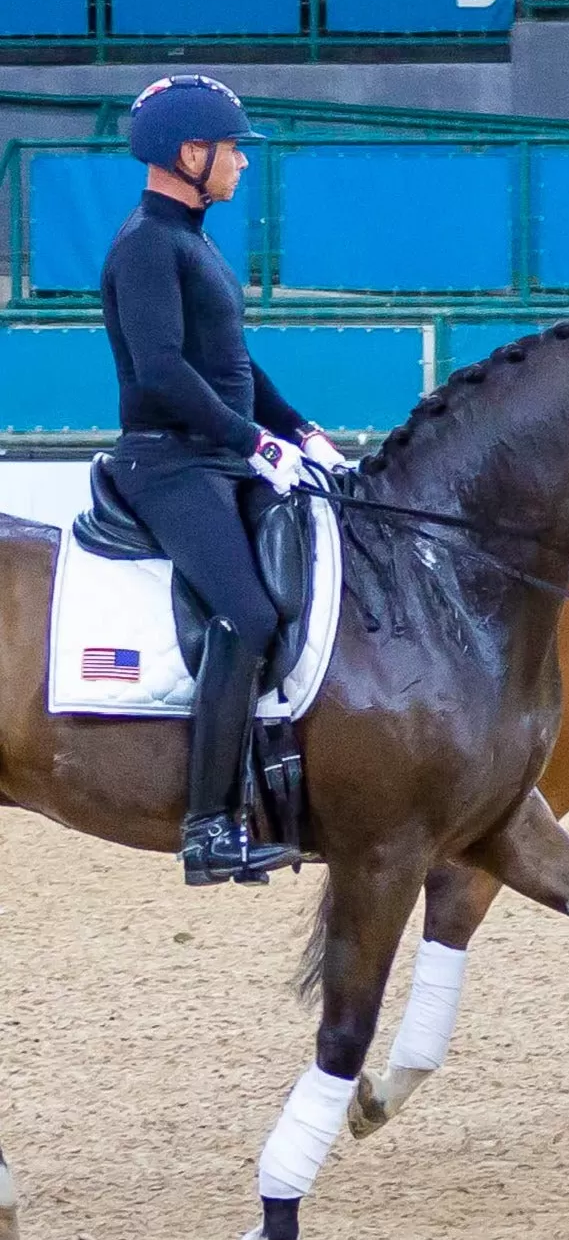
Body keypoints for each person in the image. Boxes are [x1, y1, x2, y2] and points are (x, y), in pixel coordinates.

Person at [101, 75, 351, 884]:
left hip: (219, 456)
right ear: (189, 153)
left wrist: (300, 430)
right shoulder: (145, 245)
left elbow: (234, 363)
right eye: (232, 149)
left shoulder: (196, 242)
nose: (241, 163)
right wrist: (254, 443)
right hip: (167, 463)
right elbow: (164, 373)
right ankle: (208, 826)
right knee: (243, 614)